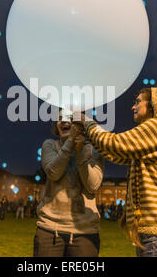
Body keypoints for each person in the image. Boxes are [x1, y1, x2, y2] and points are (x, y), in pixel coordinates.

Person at [76, 87, 157, 257]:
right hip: (151, 232)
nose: (133, 107)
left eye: (138, 102)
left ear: (154, 105)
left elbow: (115, 143)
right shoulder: (154, 135)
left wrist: (87, 123)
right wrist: (90, 136)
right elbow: (117, 154)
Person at [34, 110, 105, 257]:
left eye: (70, 118)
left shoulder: (94, 150)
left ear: (81, 123)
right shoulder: (50, 145)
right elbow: (54, 173)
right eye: (60, 118)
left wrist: (79, 152)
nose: (64, 121)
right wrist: (71, 142)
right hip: (50, 230)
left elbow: (92, 185)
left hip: (84, 233)